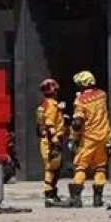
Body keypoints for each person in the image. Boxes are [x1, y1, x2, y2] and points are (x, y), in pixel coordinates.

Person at [67, 70, 111, 208]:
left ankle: (76, 199)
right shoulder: (102, 95)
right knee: (100, 168)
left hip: (88, 139)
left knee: (80, 166)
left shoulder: (80, 101)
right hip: (104, 136)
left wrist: (73, 138)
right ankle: (98, 199)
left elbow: (77, 123)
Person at [36, 78, 67, 207]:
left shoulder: (45, 104)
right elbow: (49, 123)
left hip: (46, 140)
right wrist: (55, 141)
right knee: (52, 168)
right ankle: (49, 195)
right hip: (51, 141)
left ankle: (52, 194)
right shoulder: (51, 105)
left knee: (54, 168)